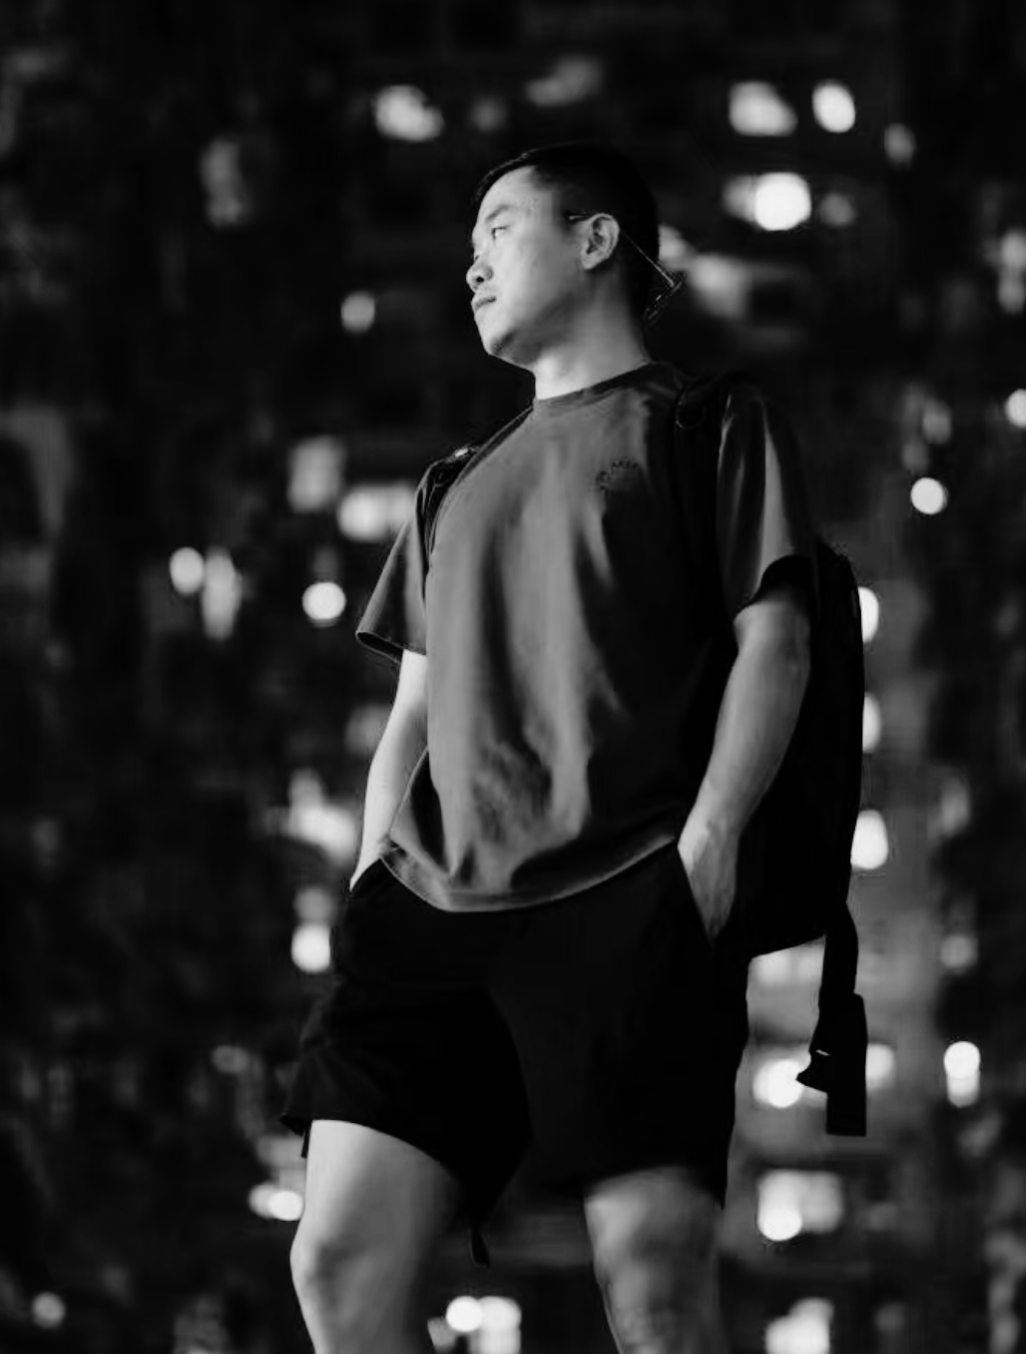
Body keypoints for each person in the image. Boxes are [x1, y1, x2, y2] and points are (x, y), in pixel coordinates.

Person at [282, 140, 818, 1354]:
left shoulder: (706, 423)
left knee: (654, 1288)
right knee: (336, 1264)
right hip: (428, 907)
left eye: (498, 230)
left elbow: (775, 641)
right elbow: (412, 713)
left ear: (595, 241)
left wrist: (711, 842)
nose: (471, 267)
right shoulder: (449, 483)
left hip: (624, 890)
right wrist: (371, 870)